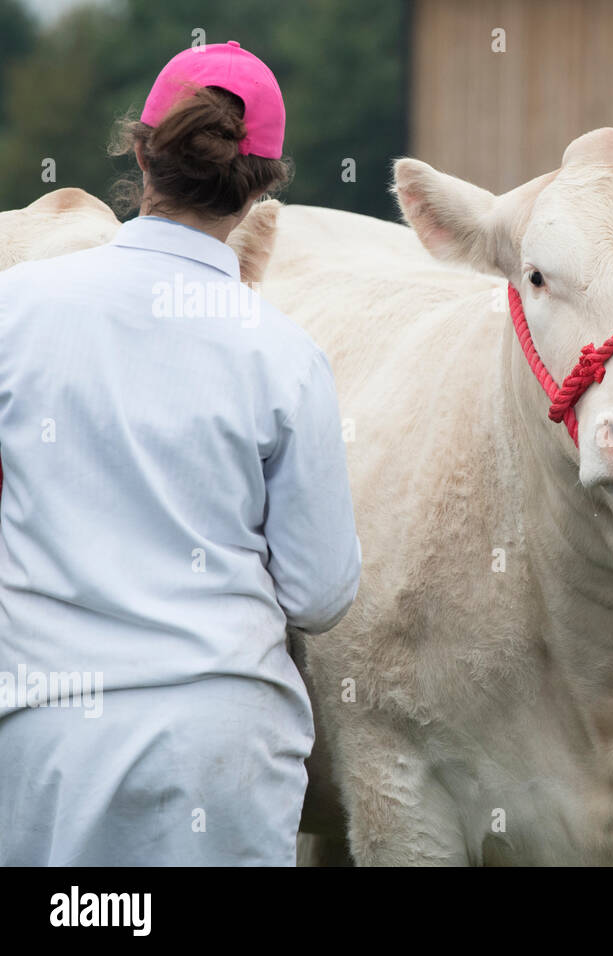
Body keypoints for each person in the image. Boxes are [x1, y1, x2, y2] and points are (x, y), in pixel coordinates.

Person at [0, 41, 361, 865]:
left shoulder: (12, 309)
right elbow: (318, 591)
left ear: (140, 151)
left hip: (43, 733)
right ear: (264, 183)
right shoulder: (285, 355)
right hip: (219, 744)